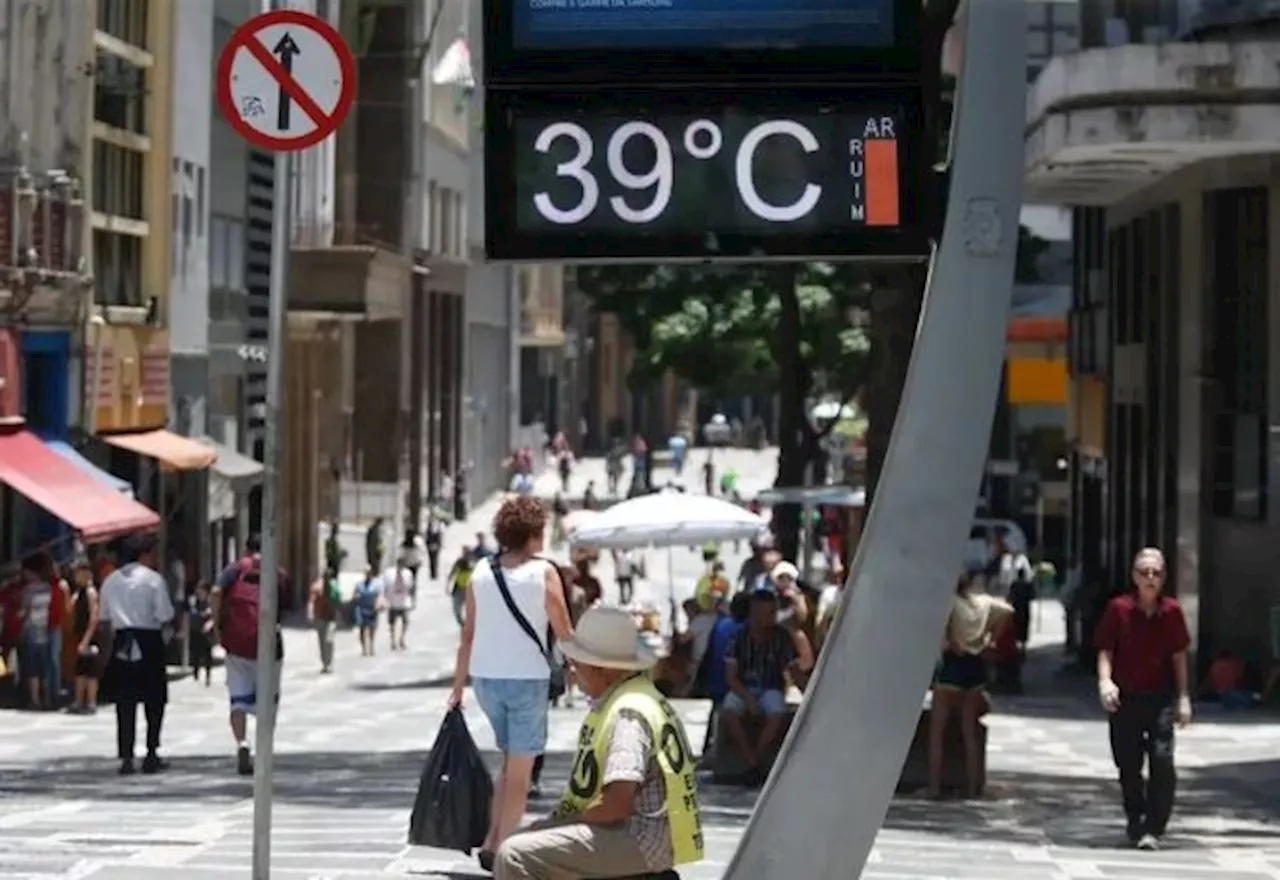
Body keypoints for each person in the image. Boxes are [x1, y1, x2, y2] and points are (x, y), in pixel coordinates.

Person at [495, 607, 704, 880]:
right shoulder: (639, 697)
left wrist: (559, 825)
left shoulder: (627, 715)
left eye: (577, 664)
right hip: (650, 834)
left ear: (602, 670)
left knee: (515, 854)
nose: (572, 670)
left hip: (639, 838)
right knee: (535, 841)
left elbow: (616, 804)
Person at [448, 496, 575, 873]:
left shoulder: (481, 572)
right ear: (533, 534)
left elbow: (467, 635)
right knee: (520, 771)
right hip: (526, 679)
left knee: (508, 763)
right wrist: (585, 667)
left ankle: (492, 839)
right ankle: (501, 849)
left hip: (486, 680)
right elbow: (564, 631)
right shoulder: (545, 573)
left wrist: (457, 686)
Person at [1095, 547, 1192, 850]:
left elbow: (1179, 657)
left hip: (1159, 698)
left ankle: (1154, 826)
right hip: (1126, 698)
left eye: (1157, 573)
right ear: (1135, 577)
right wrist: (1105, 681)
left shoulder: (1172, 612)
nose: (1150, 578)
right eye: (1145, 572)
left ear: (1164, 578)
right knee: (1128, 763)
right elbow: (1105, 650)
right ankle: (1135, 818)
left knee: (1163, 760)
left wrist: (1184, 698)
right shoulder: (1118, 610)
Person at [211, 534, 288, 776]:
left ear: (246, 548)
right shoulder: (278, 573)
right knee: (268, 699)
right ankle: (264, 748)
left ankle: (242, 743)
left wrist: (216, 624)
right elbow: (285, 605)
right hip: (268, 645)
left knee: (238, 699)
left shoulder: (234, 569)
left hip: (237, 644)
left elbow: (215, 592)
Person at [930, 571, 1012, 799]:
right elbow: (1008, 610)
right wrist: (990, 638)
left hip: (952, 666)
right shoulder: (983, 603)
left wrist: (953, 642)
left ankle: (935, 787)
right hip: (976, 666)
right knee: (969, 731)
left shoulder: (949, 603)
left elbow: (945, 639)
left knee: (938, 731)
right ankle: (972, 787)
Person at [719, 587, 814, 783]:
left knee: (777, 713)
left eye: (773, 612)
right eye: (768, 613)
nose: (772, 617)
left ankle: (757, 757)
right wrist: (748, 698)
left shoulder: (781, 637)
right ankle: (749, 760)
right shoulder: (737, 638)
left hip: (771, 687)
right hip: (743, 687)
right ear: (755, 614)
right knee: (729, 711)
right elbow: (731, 677)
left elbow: (793, 671)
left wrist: (812, 696)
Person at [100, 534, 175, 775]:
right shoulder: (154, 581)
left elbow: (104, 617)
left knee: (125, 701)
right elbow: (164, 614)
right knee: (155, 699)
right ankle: (151, 752)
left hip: (121, 640)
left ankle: (126, 756)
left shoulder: (110, 581)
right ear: (144, 554)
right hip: (149, 640)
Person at [18, 553, 57, 710]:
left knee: (32, 667)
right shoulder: (48, 588)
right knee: (45, 666)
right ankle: (47, 698)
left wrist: (18, 615)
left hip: (31, 630)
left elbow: (24, 611)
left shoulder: (28, 590)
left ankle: (34, 700)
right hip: (46, 630)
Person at [68, 560, 103, 712]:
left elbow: (94, 617)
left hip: (89, 636)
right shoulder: (79, 592)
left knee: (90, 671)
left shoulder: (90, 592)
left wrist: (86, 639)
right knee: (80, 670)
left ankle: (90, 701)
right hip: (80, 634)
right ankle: (78, 700)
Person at [307, 569, 343, 673]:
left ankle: (329, 663)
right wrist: (310, 614)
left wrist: (340, 614)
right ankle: (325, 663)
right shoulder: (317, 587)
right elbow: (311, 601)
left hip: (331, 618)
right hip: (320, 618)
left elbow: (338, 601)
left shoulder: (334, 587)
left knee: (329, 640)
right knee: (322, 642)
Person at [186, 581, 215, 687]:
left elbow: (213, 615)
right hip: (195, 629)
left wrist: (210, 622)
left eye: (202, 590)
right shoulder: (193, 601)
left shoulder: (211, 601)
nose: (199, 592)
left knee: (207, 654)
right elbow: (191, 612)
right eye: (198, 590)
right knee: (195, 653)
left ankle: (208, 676)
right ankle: (195, 673)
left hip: (206, 631)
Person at [352, 567, 384, 656]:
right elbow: (354, 595)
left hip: (372, 609)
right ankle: (364, 649)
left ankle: (371, 646)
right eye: (366, 573)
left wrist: (379, 604)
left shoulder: (377, 584)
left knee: (372, 629)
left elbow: (380, 595)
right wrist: (356, 597)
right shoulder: (359, 584)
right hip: (362, 609)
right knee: (362, 630)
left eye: (369, 572)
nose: (368, 574)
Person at [384, 559, 415, 651]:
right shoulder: (389, 573)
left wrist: (413, 600)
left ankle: (401, 639)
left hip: (404, 602)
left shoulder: (408, 574)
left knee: (405, 621)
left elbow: (411, 587)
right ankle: (393, 641)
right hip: (392, 602)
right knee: (392, 623)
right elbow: (385, 586)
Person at [447, 550, 476, 627]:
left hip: (470, 588)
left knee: (471, 608)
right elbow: (452, 573)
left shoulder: (474, 563)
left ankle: (469, 623)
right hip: (459, 588)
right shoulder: (459, 562)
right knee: (456, 609)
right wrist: (447, 585)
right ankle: (463, 624)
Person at [399, 527, 426, 598]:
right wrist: (420, 561)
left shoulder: (404, 543)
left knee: (407, 579)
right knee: (413, 579)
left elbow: (401, 554)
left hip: (407, 564)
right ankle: (413, 595)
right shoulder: (417, 542)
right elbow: (421, 552)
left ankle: (408, 593)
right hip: (415, 564)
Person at [425, 515, 444, 581]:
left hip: (436, 545)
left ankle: (435, 573)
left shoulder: (439, 526)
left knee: (435, 559)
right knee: (431, 559)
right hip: (430, 545)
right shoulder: (429, 526)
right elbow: (427, 536)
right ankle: (432, 573)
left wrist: (439, 544)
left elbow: (440, 536)